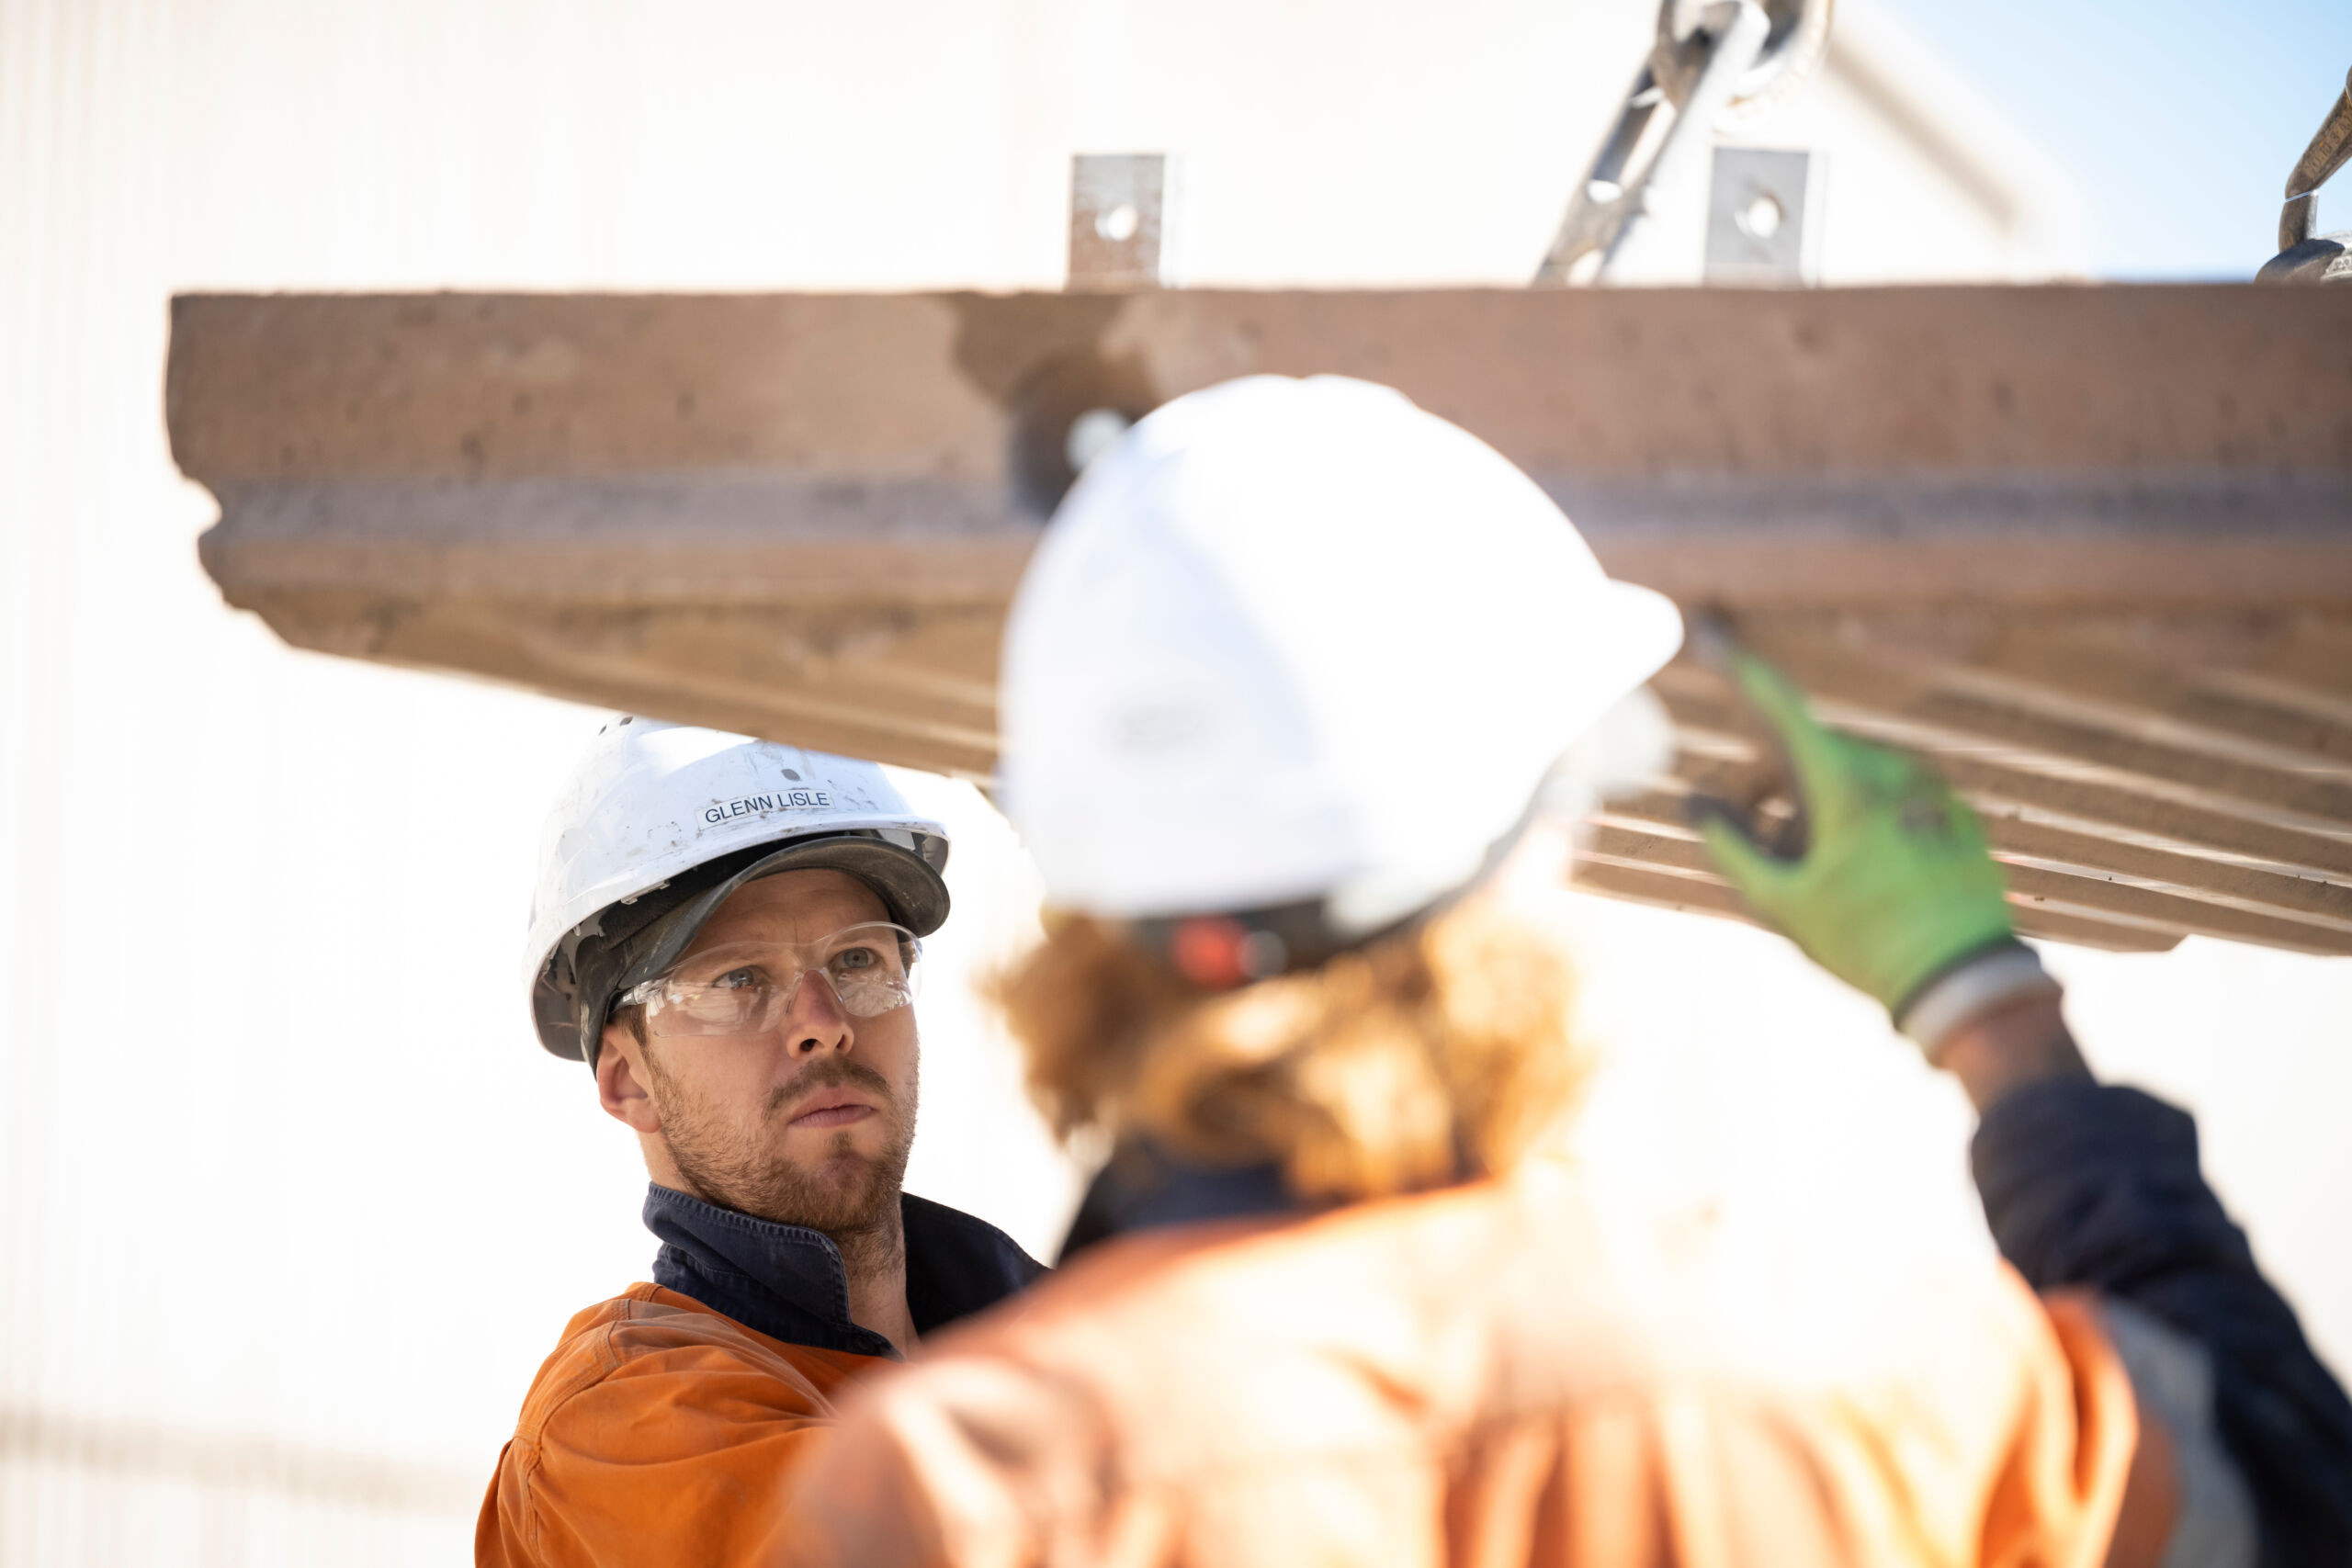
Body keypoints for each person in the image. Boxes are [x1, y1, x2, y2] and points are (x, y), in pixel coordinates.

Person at [776, 375, 2352, 1566]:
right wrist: (1984, 1005)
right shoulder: (1851, 1361)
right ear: (1525, 857)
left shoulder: (950, 1486)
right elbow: (2282, 1485)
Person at [477, 723, 1045, 1568]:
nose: (825, 1024)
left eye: (857, 959)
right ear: (629, 1080)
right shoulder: (624, 1419)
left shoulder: (1042, 1337)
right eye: (739, 979)